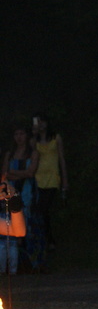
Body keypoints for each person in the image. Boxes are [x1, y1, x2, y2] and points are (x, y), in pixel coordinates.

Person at [1, 128, 38, 274]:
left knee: (27, 222)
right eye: (16, 134)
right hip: (11, 191)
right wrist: (18, 175)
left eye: (22, 133)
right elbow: (4, 174)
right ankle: (11, 266)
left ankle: (29, 263)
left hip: (27, 190)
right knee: (9, 224)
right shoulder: (10, 154)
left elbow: (30, 173)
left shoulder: (33, 153)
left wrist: (14, 174)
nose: (19, 137)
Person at [31, 113, 67, 256]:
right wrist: (34, 134)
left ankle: (48, 239)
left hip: (52, 177)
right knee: (40, 210)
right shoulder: (35, 140)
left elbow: (62, 159)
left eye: (42, 121)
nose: (41, 124)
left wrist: (65, 181)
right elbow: (31, 152)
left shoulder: (56, 138)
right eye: (38, 122)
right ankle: (46, 239)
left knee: (44, 207)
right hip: (38, 177)